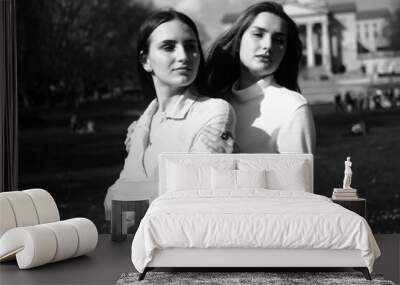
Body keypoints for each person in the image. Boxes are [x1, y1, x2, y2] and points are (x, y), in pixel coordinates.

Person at [104, 10, 236, 220]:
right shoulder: (141, 125)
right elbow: (113, 213)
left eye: (191, 47)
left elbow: (193, 192)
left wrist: (121, 193)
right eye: (168, 47)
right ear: (146, 60)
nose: (183, 56)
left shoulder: (214, 111)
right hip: (134, 246)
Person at [202, 1, 315, 154]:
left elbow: (299, 178)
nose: (268, 45)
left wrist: (236, 158)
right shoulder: (213, 101)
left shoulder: (293, 107)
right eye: (258, 34)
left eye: (278, 40)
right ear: (238, 40)